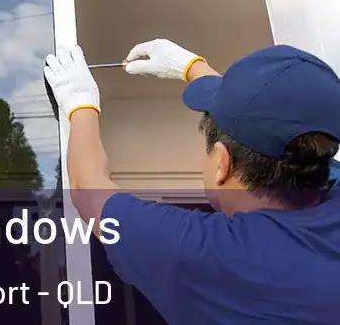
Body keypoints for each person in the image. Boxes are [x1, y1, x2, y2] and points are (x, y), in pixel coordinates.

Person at [43, 39, 340, 324]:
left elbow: (87, 188)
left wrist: (79, 105)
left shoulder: (210, 256)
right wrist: (191, 67)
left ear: (222, 163)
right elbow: (272, 115)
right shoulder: (324, 175)